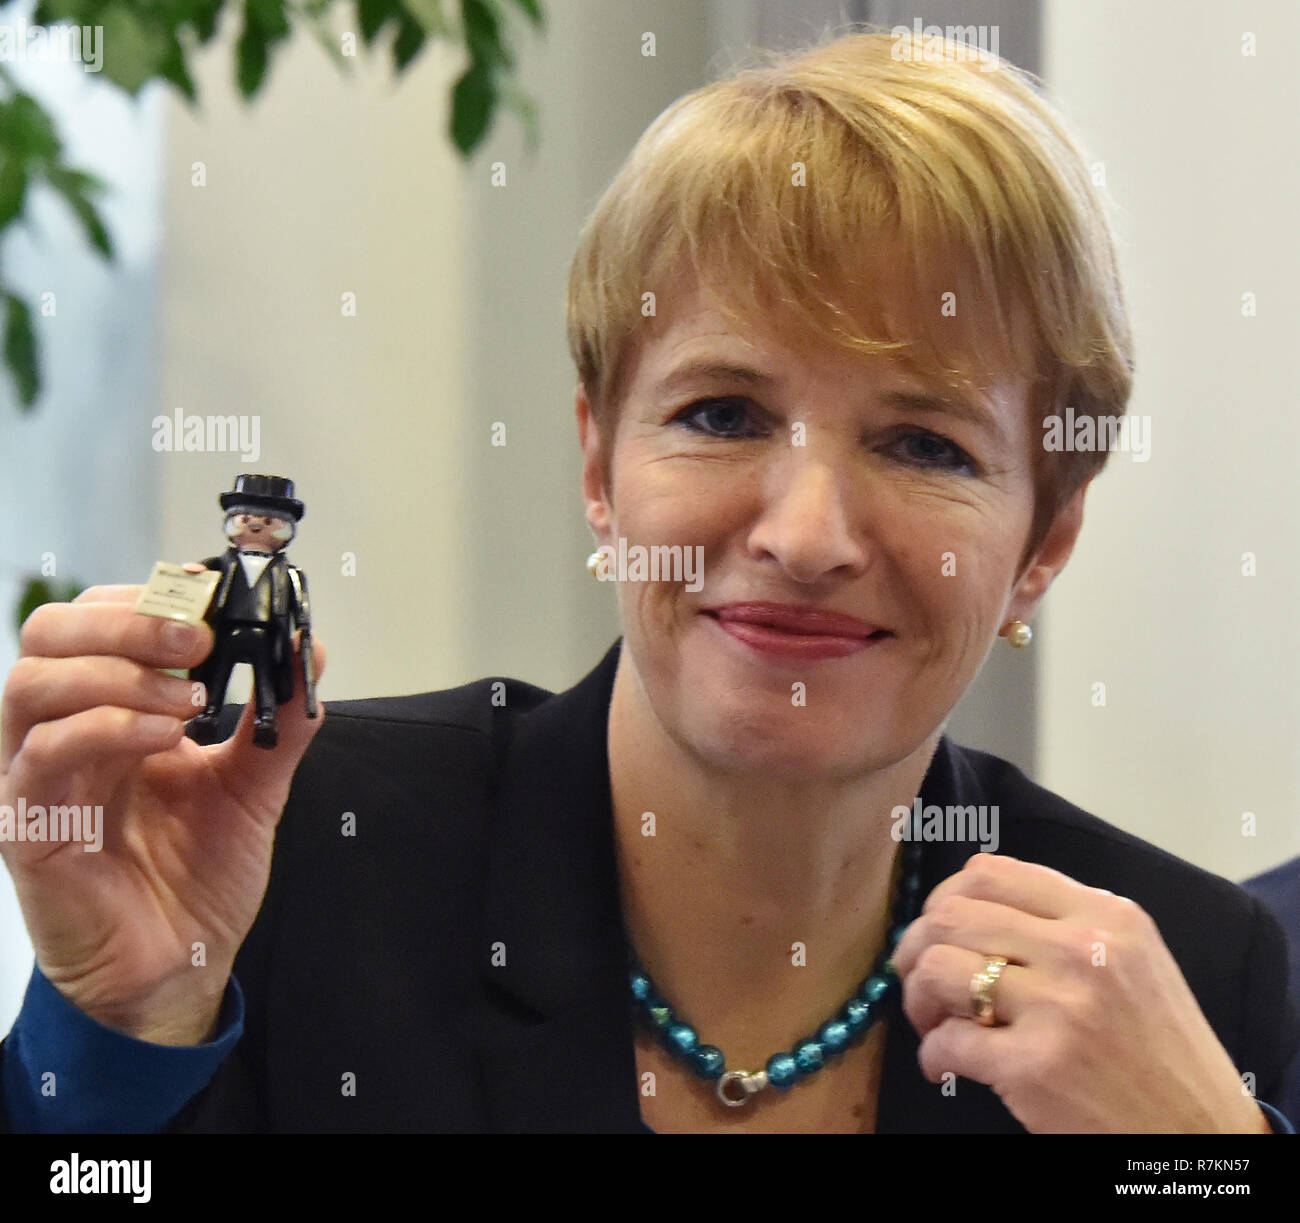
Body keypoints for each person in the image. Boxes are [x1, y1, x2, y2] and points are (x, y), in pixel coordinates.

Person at [0, 28, 1296, 1134]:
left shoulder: (1192, 980)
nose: (804, 533)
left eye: (923, 444)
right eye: (724, 414)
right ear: (599, 471)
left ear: (1045, 544)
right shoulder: (300, 855)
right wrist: (115, 1036)